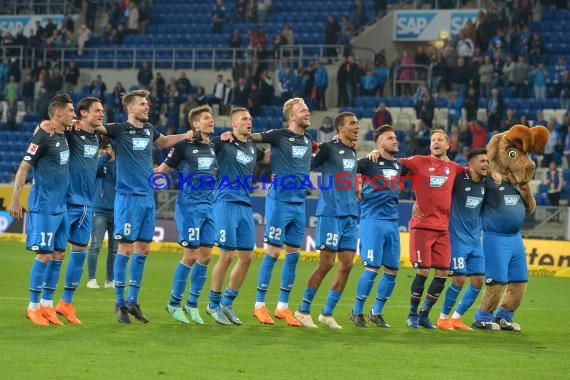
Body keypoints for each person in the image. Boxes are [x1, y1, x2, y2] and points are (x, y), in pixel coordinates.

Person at [93, 89, 193, 324]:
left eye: (147, 103)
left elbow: (165, 142)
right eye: (142, 104)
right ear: (130, 108)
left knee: (144, 250)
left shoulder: (149, 130)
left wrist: (187, 134)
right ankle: (119, 303)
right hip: (127, 198)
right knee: (125, 250)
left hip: (148, 198)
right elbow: (95, 127)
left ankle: (132, 301)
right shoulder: (118, 129)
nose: (147, 106)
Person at [223, 97, 313, 326]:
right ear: (291, 116)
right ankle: (259, 305)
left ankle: (283, 307)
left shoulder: (309, 140)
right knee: (273, 253)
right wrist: (229, 135)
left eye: (307, 110)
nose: (307, 113)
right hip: (280, 202)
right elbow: (249, 136)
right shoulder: (278, 135)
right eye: (303, 110)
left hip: (299, 203)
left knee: (293, 255)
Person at [8, 93, 74, 326]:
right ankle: (33, 307)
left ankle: (47, 305)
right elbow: (23, 168)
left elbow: (87, 123)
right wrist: (16, 199)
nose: (74, 114)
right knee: (44, 254)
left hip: (61, 205)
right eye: (70, 110)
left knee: (58, 254)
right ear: (58, 113)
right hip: (44, 205)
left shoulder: (65, 132)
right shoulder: (42, 136)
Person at [294, 112, 359, 329]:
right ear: (341, 128)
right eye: (352, 123)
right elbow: (308, 165)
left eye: (357, 123)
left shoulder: (352, 151)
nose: (357, 126)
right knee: (326, 263)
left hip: (351, 214)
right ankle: (303, 310)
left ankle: (327, 314)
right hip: (331, 212)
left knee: (347, 265)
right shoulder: (329, 148)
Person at [157, 106, 217, 325]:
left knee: (207, 256)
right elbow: (161, 171)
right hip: (189, 207)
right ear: (195, 125)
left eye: (211, 117)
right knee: (190, 256)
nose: (211, 120)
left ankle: (192, 305)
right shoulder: (183, 147)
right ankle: (173, 304)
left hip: (209, 207)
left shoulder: (214, 147)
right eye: (206, 118)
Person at [206, 107, 264, 325]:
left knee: (247, 257)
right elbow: (204, 146)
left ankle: (227, 304)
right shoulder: (223, 143)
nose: (249, 121)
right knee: (227, 255)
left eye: (250, 118)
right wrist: (219, 136)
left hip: (245, 205)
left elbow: (267, 157)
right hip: (225, 203)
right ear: (233, 124)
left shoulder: (252, 148)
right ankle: (213, 304)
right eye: (244, 119)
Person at [50, 97, 104, 325]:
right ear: (83, 113)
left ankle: (66, 304)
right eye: (97, 110)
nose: (102, 113)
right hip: (67, 201)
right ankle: (44, 305)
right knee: (56, 254)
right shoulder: (70, 133)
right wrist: (45, 123)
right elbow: (48, 125)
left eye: (102, 110)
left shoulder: (98, 136)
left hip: (87, 204)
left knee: (80, 252)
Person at [349, 125, 408, 328]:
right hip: (372, 221)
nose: (395, 141)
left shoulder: (400, 166)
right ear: (380, 143)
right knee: (372, 268)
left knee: (392, 269)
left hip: (392, 223)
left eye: (396, 137)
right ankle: (356, 311)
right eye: (390, 138)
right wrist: (357, 186)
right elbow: (348, 167)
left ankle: (376, 313)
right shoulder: (368, 162)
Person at [436, 148, 489, 331]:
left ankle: (456, 319)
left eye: (487, 161)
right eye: (482, 161)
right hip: (457, 239)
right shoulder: (458, 181)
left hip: (476, 241)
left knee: (478, 281)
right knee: (459, 279)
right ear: (471, 164)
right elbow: (437, 186)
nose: (486, 164)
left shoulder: (486, 184)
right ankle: (443, 319)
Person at [87, 139, 117, 289]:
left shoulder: (119, 165)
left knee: (114, 249)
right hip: (99, 210)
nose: (108, 151)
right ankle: (91, 279)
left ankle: (110, 280)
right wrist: (106, 156)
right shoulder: (99, 164)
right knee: (96, 245)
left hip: (117, 212)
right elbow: (94, 168)